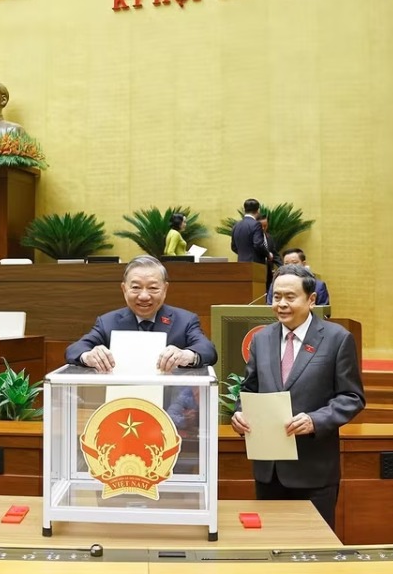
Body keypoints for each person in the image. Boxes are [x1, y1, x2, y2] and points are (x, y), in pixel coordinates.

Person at [230, 264, 364, 530]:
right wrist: (239, 413)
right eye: (276, 297)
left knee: (312, 552)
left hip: (313, 470)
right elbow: (249, 389)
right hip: (269, 471)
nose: (281, 304)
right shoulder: (262, 339)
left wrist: (315, 420)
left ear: (311, 300)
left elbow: (352, 397)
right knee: (270, 548)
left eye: (290, 297)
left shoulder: (337, 339)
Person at [65, 255, 217, 372]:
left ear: (165, 289)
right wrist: (89, 356)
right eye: (136, 287)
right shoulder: (108, 322)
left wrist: (187, 355)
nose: (144, 296)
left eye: (152, 288)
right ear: (124, 289)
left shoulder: (185, 320)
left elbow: (208, 350)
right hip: (123, 402)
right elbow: (74, 349)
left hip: (172, 405)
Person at [231, 199, 271, 266]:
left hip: (241, 263)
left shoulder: (236, 225)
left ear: (244, 210)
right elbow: (258, 244)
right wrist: (268, 254)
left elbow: (233, 247)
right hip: (255, 265)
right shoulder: (256, 224)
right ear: (258, 210)